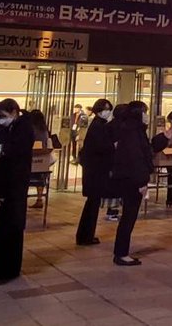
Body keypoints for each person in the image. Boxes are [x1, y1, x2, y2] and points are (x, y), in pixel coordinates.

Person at [0, 98, 33, 283]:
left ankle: (10, 268)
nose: (0, 119)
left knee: (13, 227)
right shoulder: (3, 128)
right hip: (1, 184)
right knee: (1, 227)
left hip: (15, 185)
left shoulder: (24, 128)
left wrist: (1, 150)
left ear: (14, 112)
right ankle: (1, 266)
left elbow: (17, 150)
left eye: (3, 116)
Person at [110, 101, 152, 266]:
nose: (146, 115)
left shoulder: (131, 130)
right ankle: (121, 253)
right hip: (132, 180)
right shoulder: (133, 132)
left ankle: (121, 252)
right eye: (144, 112)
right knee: (129, 216)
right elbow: (136, 158)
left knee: (129, 215)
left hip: (129, 178)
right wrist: (142, 181)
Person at [76, 99, 115, 246]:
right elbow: (101, 147)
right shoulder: (98, 126)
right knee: (92, 205)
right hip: (95, 172)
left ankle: (85, 235)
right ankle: (86, 236)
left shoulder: (98, 124)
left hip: (93, 171)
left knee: (92, 204)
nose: (107, 112)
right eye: (105, 109)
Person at [28, 110, 54, 209]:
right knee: (41, 178)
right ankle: (39, 198)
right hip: (43, 160)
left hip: (32, 158)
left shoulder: (31, 129)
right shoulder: (45, 130)